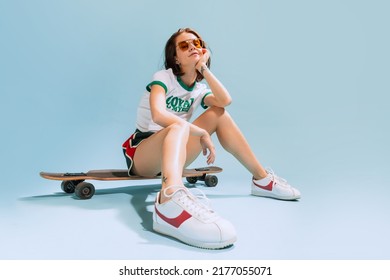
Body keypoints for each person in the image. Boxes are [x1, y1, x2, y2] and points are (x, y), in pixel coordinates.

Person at [122, 28, 301, 249]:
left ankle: (262, 180)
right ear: (175, 57)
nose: (193, 47)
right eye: (184, 46)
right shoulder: (163, 78)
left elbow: (225, 101)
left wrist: (203, 68)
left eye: (196, 43)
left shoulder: (199, 88)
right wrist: (200, 132)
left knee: (219, 114)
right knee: (177, 127)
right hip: (144, 153)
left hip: (174, 151)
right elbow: (159, 116)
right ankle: (169, 201)